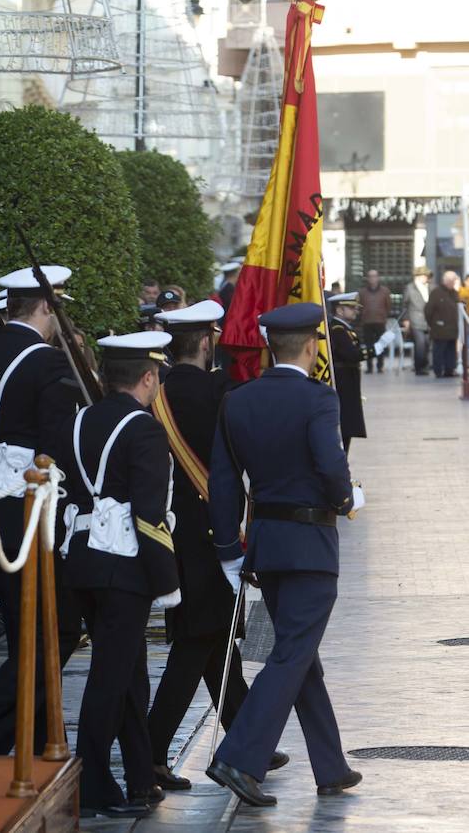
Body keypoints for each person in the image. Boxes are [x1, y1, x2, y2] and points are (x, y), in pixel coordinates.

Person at [206, 302, 362, 807]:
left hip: (265, 548)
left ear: (272, 346)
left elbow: (224, 481)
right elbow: (330, 465)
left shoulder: (238, 399)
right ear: (314, 346)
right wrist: (348, 497)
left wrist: (229, 549)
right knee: (291, 652)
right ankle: (239, 757)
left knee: (299, 654)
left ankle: (331, 765)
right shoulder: (320, 399)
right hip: (312, 546)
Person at [145, 301, 286, 790]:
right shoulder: (217, 392)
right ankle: (152, 750)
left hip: (174, 534)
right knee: (197, 645)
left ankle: (248, 742)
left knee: (212, 645)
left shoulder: (156, 394)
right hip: (213, 536)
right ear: (207, 342)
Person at [0, 266, 81, 757]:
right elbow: (57, 443)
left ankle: (35, 727)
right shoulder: (47, 362)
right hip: (35, 507)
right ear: (45, 306)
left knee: (29, 627)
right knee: (55, 626)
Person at [61, 331, 180, 819]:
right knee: (110, 678)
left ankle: (138, 777)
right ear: (148, 377)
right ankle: (90, 782)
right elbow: (149, 516)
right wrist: (168, 583)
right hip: (124, 567)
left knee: (130, 674)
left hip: (82, 560)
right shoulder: (145, 430)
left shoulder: (80, 421)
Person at [328, 293, 367, 453]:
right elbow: (352, 354)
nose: (355, 311)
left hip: (348, 379)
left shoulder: (344, 328)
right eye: (351, 308)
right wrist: (374, 349)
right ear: (339, 310)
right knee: (344, 427)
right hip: (343, 380)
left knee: (347, 428)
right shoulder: (338, 330)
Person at [426, 270, 462, 378]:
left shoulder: (455, 293)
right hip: (439, 329)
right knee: (439, 351)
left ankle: (450, 370)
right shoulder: (436, 293)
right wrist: (433, 324)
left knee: (451, 351)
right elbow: (428, 310)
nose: (454, 283)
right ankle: (438, 371)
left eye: (454, 280)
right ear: (446, 281)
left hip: (452, 329)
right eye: (452, 280)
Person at [356, 270, 392, 373]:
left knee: (381, 344)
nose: (372, 278)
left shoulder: (385, 291)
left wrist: (384, 315)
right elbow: (359, 306)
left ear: (378, 278)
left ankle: (380, 366)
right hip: (367, 322)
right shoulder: (362, 292)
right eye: (370, 276)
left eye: (374, 276)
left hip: (380, 321)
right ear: (367, 278)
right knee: (368, 345)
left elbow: (388, 305)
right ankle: (369, 367)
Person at [400, 266, 431, 376]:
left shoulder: (429, 287)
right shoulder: (410, 288)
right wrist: (406, 319)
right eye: (424, 275)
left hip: (428, 320)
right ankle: (419, 367)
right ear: (417, 276)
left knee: (427, 344)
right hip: (415, 319)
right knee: (420, 344)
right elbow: (405, 305)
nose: (426, 278)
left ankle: (425, 365)